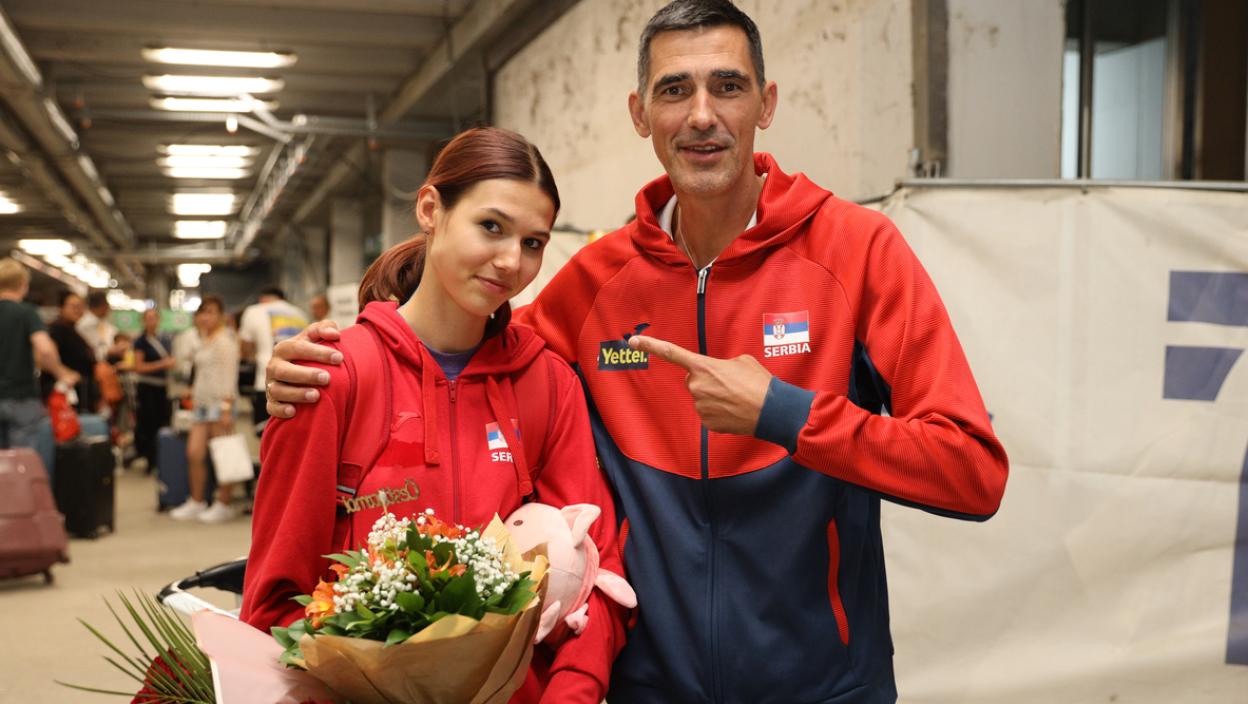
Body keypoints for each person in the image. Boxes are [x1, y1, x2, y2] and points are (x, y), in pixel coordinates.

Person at [265, 3, 1009, 702]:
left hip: (823, 685)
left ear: (767, 103)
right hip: (648, 686)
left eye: (728, 86)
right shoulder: (596, 282)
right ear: (640, 113)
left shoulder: (857, 251)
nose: (702, 115)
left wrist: (785, 414)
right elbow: (466, 352)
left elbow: (972, 473)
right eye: (675, 90)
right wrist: (334, 361)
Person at [239, 127, 626, 703]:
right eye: (490, 226)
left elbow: (597, 573)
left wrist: (571, 693)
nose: (510, 261)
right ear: (430, 210)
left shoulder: (547, 385)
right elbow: (275, 603)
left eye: (533, 243)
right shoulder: (333, 376)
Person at [168, 295, 240, 524]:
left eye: (210, 312)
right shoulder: (203, 340)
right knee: (194, 453)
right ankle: (197, 500)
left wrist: (226, 408)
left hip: (220, 405)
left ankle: (224, 504)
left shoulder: (225, 341)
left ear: (220, 315)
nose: (205, 317)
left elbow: (229, 376)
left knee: (223, 454)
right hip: (201, 405)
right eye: (202, 312)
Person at [0, 259, 79, 449]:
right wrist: (61, 373)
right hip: (21, 398)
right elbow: (44, 349)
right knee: (22, 459)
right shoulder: (27, 313)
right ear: (23, 285)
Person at [238, 287, 307, 436]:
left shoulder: (254, 311)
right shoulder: (300, 314)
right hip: (300, 384)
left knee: (266, 435)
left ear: (263, 298)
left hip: (267, 383)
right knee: (294, 436)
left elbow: (245, 347)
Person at [129, 309, 175, 474]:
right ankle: (150, 460)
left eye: (154, 318)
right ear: (143, 321)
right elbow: (138, 367)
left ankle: (162, 459)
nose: (152, 321)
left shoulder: (165, 339)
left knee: (163, 422)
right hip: (147, 389)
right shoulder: (140, 342)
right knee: (148, 424)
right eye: (148, 318)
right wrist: (162, 364)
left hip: (162, 388)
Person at [42, 290, 100, 414]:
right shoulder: (56, 331)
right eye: (73, 306)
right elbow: (46, 357)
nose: (78, 310)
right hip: (64, 394)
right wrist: (63, 373)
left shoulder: (73, 330)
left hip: (79, 394)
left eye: (81, 307)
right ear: (61, 308)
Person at [77, 289, 126, 363]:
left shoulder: (102, 322)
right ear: (103, 305)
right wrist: (110, 351)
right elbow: (91, 351)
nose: (109, 308)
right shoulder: (85, 325)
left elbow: (113, 333)